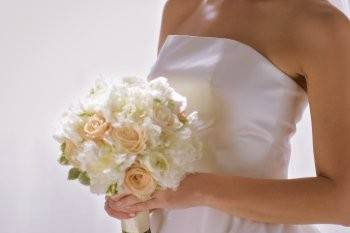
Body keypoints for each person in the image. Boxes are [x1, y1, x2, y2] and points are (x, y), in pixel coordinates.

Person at [105, 0, 350, 232]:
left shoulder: (321, 25)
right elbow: (173, 133)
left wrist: (199, 190)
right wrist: (133, 190)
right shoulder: (182, 7)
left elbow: (343, 202)